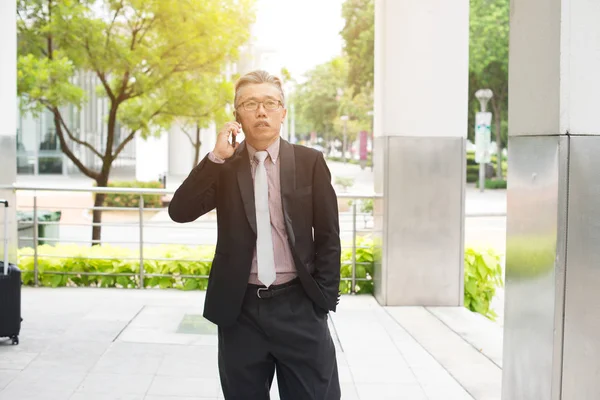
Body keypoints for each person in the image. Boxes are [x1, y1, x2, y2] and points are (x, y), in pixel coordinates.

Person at [168, 70, 341, 400]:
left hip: (299, 307)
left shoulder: (310, 162)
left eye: (270, 103)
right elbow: (180, 211)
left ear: (283, 112)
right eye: (250, 104)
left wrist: (323, 301)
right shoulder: (225, 166)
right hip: (240, 310)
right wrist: (216, 156)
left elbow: (329, 235)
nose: (261, 111)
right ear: (237, 116)